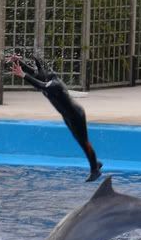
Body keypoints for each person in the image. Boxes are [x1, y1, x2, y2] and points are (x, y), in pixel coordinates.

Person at [9, 54, 102, 182]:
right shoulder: (45, 78)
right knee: (79, 140)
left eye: (39, 71)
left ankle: (95, 170)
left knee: (84, 142)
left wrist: (23, 75)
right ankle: (94, 162)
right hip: (67, 116)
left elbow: (39, 84)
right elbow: (33, 73)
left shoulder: (55, 84)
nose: (36, 73)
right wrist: (18, 62)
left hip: (76, 115)